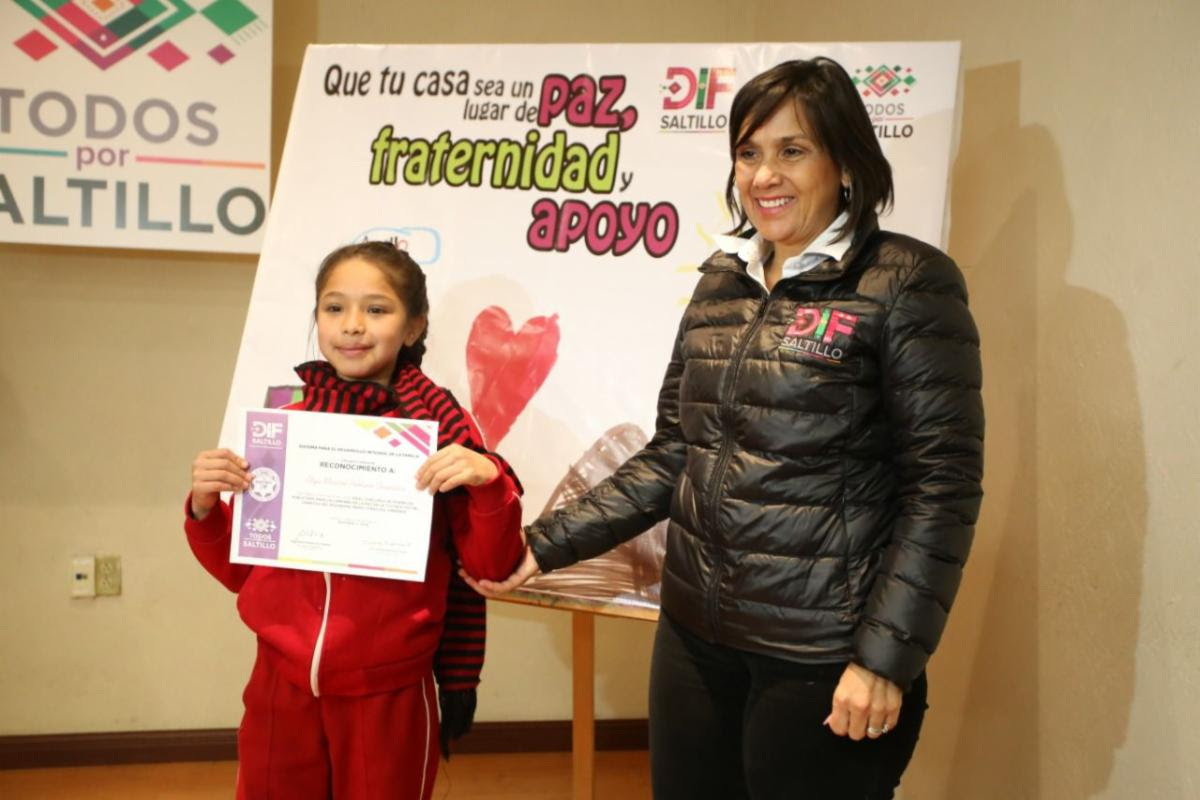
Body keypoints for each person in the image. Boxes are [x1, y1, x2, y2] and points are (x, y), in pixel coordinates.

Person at [464, 57, 984, 800]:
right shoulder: (723, 281)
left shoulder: (905, 282)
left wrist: (884, 659)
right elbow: (675, 452)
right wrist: (544, 544)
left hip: (820, 654)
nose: (764, 175)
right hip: (694, 638)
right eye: (748, 152)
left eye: (792, 150)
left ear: (845, 162)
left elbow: (942, 489)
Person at [185, 241, 524, 799]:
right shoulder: (285, 425)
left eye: (377, 309)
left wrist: (488, 481)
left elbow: (489, 565)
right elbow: (241, 572)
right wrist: (205, 509)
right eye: (335, 307)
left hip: (388, 691)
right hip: (279, 685)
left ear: (414, 326)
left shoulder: (442, 433)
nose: (352, 325)